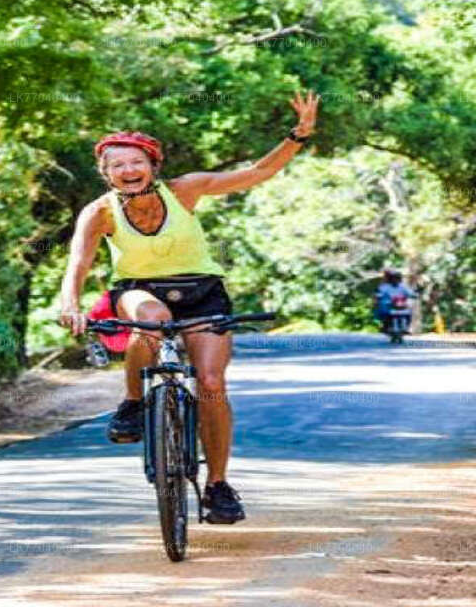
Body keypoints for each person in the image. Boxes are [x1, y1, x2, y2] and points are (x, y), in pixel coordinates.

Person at [58, 91, 320, 525]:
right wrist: (70, 305)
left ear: (153, 165)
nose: (128, 170)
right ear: (105, 173)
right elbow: (79, 262)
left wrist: (299, 135)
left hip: (202, 291)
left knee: (212, 383)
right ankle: (132, 402)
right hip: (140, 289)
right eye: (117, 165)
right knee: (152, 320)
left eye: (136, 162)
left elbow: (257, 172)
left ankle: (217, 485)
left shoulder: (184, 191)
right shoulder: (99, 212)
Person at [374, 268, 416, 334]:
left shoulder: (403, 287)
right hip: (389, 305)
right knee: (383, 311)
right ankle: (385, 325)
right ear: (391, 279)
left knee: (409, 311)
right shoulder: (385, 287)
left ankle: (406, 327)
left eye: (397, 278)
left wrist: (414, 294)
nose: (395, 280)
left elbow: (410, 293)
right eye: (394, 278)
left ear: (399, 279)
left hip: (401, 305)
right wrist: (378, 297)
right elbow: (379, 293)